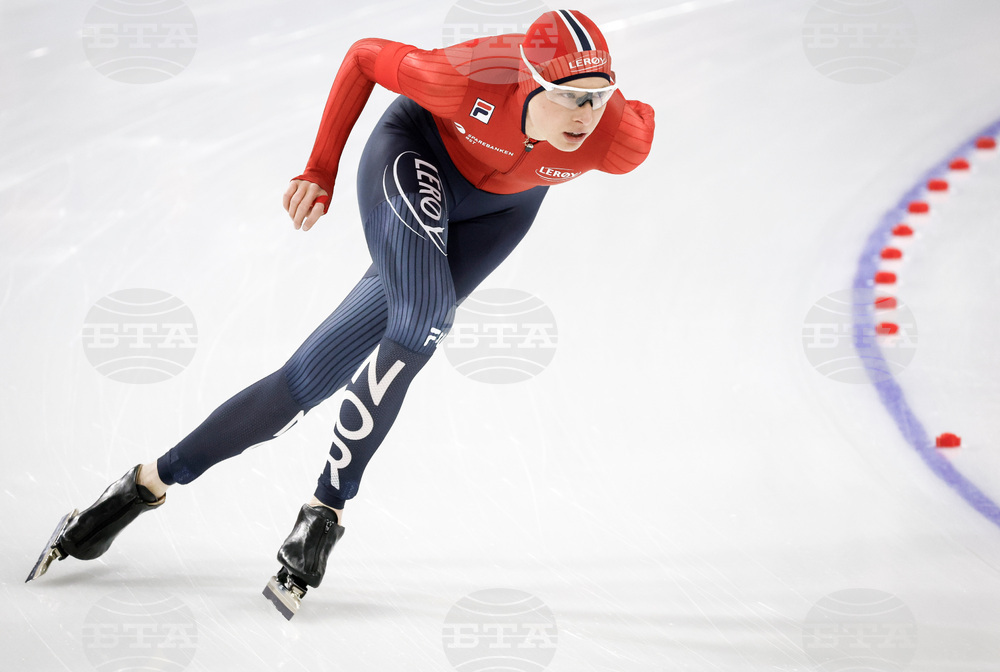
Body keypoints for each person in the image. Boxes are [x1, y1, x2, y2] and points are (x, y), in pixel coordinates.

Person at [27, 9, 655, 619]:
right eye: (571, 99)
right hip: (417, 156)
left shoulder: (617, 137)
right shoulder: (463, 78)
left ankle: (141, 486)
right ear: (529, 83)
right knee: (425, 315)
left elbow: (624, 119)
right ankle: (324, 514)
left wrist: (605, 111)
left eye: (600, 98)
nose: (587, 116)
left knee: (300, 386)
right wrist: (320, 168)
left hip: (501, 213)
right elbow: (362, 55)